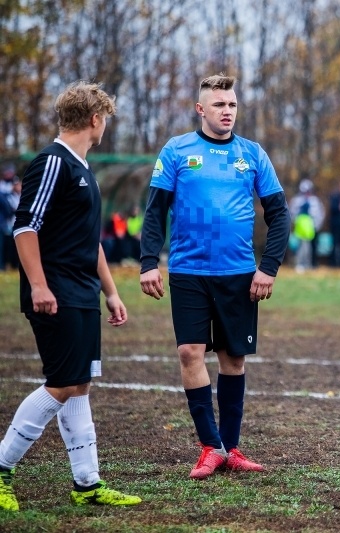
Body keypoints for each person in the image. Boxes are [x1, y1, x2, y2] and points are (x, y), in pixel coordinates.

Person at [139, 74, 290, 480]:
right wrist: (148, 261)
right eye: (219, 104)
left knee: (233, 359)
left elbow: (280, 217)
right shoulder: (176, 151)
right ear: (201, 109)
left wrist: (268, 267)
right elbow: (155, 212)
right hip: (188, 271)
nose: (227, 111)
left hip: (239, 275)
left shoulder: (253, 154)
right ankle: (210, 446)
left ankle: (232, 446)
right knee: (190, 352)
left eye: (232, 105)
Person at [0, 81, 141, 512]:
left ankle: (87, 483)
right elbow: (24, 227)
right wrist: (39, 286)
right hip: (56, 292)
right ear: (96, 119)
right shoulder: (52, 163)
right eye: (107, 119)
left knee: (79, 385)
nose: (106, 127)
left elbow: (89, 241)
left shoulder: (82, 168)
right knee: (61, 384)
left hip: (82, 292)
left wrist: (111, 292)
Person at [288, 179, 325, 272]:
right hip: (301, 226)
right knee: (300, 246)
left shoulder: (315, 200)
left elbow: (320, 213)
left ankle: (309, 264)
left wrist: (317, 225)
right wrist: (296, 221)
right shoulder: (296, 200)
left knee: (310, 246)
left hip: (311, 227)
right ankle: (300, 264)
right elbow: (291, 213)